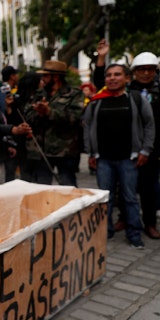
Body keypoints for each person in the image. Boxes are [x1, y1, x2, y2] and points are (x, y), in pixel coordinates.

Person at [94, 41, 160, 239]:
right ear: (133, 73)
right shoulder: (127, 91)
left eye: (150, 69)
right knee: (125, 187)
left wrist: (148, 150)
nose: (146, 73)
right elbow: (101, 83)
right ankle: (124, 218)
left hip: (151, 149)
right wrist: (101, 58)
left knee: (149, 187)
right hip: (127, 149)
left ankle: (149, 223)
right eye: (142, 70)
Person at [84, 64, 155, 249]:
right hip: (103, 160)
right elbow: (88, 126)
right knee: (105, 199)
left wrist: (145, 150)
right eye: (109, 75)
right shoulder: (96, 101)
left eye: (117, 74)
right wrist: (91, 152)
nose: (112, 78)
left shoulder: (136, 99)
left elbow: (149, 125)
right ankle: (104, 232)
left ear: (126, 78)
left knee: (130, 198)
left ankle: (134, 234)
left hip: (128, 159)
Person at [24, 60, 84, 186]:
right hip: (41, 151)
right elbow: (27, 115)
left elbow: (74, 118)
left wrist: (49, 112)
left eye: (46, 76)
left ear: (56, 77)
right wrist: (39, 113)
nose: (43, 79)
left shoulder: (74, 94)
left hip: (65, 151)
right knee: (41, 189)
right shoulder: (39, 94)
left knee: (68, 188)